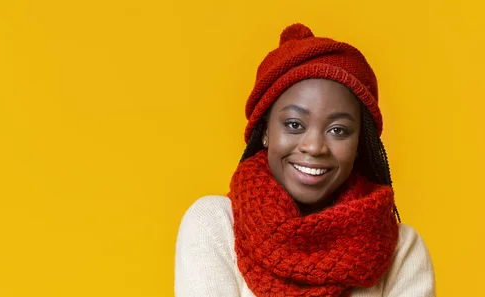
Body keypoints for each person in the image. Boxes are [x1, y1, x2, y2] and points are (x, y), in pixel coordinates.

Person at [174, 23, 435, 297]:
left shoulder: (400, 249)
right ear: (265, 131)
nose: (314, 147)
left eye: (338, 130)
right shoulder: (215, 226)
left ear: (359, 143)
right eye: (294, 124)